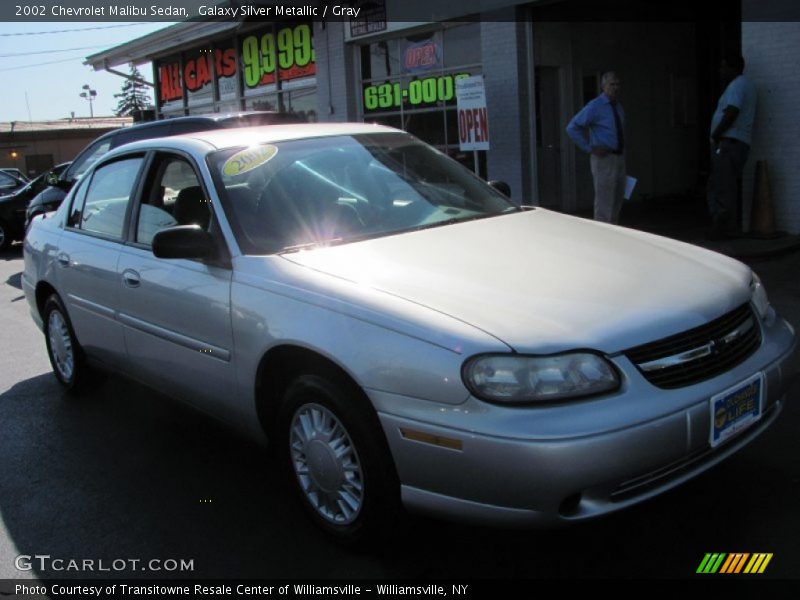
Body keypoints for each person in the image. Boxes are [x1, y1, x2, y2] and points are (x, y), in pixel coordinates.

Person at [707, 55, 757, 238]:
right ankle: (726, 225)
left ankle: (724, 228)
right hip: (738, 144)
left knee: (722, 186)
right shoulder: (748, 85)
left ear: (733, 68)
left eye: (723, 67)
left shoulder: (737, 85)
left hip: (728, 143)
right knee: (725, 185)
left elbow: (732, 111)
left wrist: (716, 134)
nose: (721, 71)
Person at [566, 71, 626, 224]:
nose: (615, 88)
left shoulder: (618, 107)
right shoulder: (596, 106)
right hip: (603, 158)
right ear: (603, 86)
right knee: (605, 200)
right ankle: (603, 235)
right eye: (612, 84)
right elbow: (572, 127)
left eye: (617, 84)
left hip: (618, 157)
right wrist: (589, 148)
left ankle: (614, 233)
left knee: (617, 198)